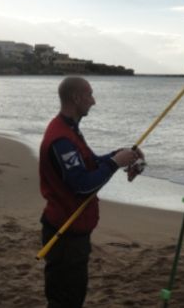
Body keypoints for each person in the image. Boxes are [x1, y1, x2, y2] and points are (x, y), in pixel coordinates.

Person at [39, 77, 144, 308]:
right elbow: (82, 186)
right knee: (66, 300)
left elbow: (90, 163)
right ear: (76, 98)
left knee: (72, 295)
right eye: (90, 95)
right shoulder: (61, 138)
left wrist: (121, 154)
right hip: (64, 234)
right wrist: (115, 163)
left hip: (73, 231)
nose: (93, 101)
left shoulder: (69, 129)